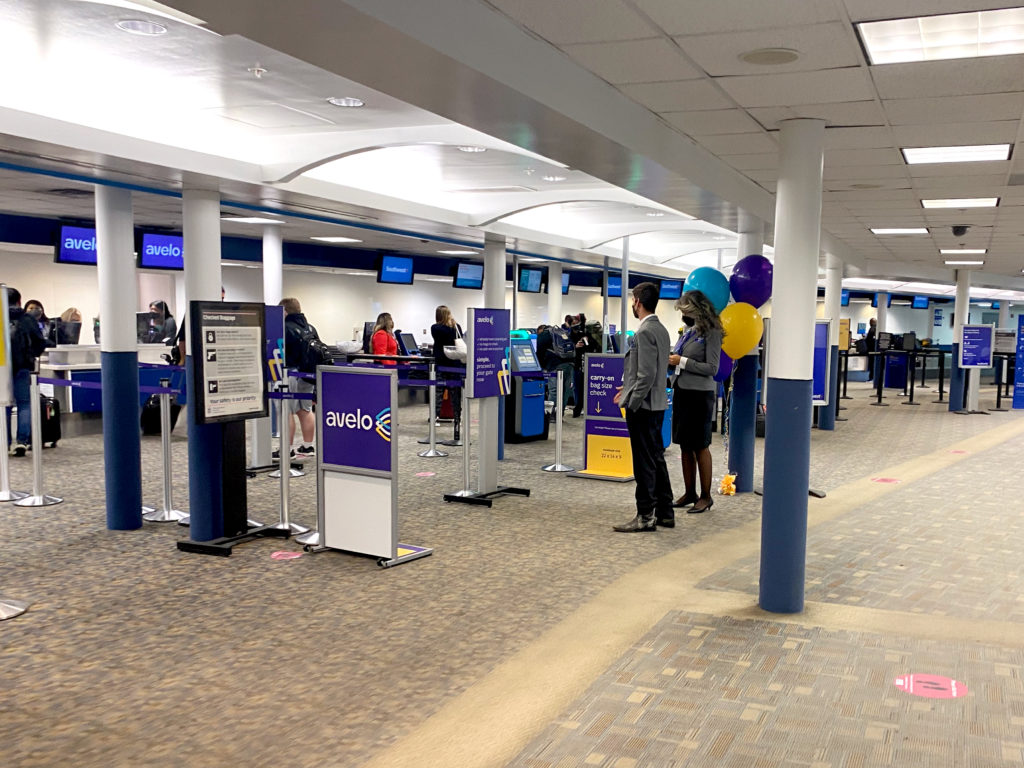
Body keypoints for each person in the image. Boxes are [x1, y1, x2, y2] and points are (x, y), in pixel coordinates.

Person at [612, 282, 674, 532]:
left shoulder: (644, 332)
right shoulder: (662, 330)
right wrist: (627, 389)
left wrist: (632, 402)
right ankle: (665, 512)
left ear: (638, 301)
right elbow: (652, 372)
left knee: (644, 462)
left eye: (633, 300)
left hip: (644, 407)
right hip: (657, 404)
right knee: (656, 458)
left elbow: (646, 375)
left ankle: (645, 515)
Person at [668, 289, 723, 515]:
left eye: (686, 310)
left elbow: (713, 369)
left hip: (700, 395)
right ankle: (689, 492)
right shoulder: (688, 332)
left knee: (701, 445)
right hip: (682, 390)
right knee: (684, 445)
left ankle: (705, 496)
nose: (683, 314)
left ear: (697, 309)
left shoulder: (712, 332)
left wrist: (682, 361)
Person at [6, 288, 49, 456]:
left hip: (3, 368)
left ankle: (6, 442)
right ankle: (22, 442)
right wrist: (31, 356)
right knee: (24, 403)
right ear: (19, 301)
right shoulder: (27, 319)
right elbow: (40, 342)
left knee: (5, 405)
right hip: (23, 366)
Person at [280, 297, 318, 459]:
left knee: (286, 411)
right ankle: (308, 447)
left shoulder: (284, 328)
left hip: (291, 373)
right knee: (305, 410)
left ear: (285, 311)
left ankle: (287, 449)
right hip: (308, 375)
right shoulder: (310, 327)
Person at [431, 305, 464, 439]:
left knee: (437, 392)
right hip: (454, 364)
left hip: (441, 364)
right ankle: (457, 418)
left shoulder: (435, 328)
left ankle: (434, 416)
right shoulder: (455, 327)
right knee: (455, 393)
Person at [536, 321, 574, 419]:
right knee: (565, 391)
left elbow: (539, 353)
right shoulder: (559, 332)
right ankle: (559, 414)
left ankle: (551, 415)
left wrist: (541, 367)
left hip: (555, 366)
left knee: (554, 391)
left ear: (540, 331)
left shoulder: (543, 335)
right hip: (569, 364)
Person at [570, 313, 600, 418]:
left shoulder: (583, 335)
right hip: (580, 365)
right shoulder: (576, 335)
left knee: (579, 389)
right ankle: (579, 409)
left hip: (581, 365)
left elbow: (589, 347)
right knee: (579, 389)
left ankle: (578, 409)